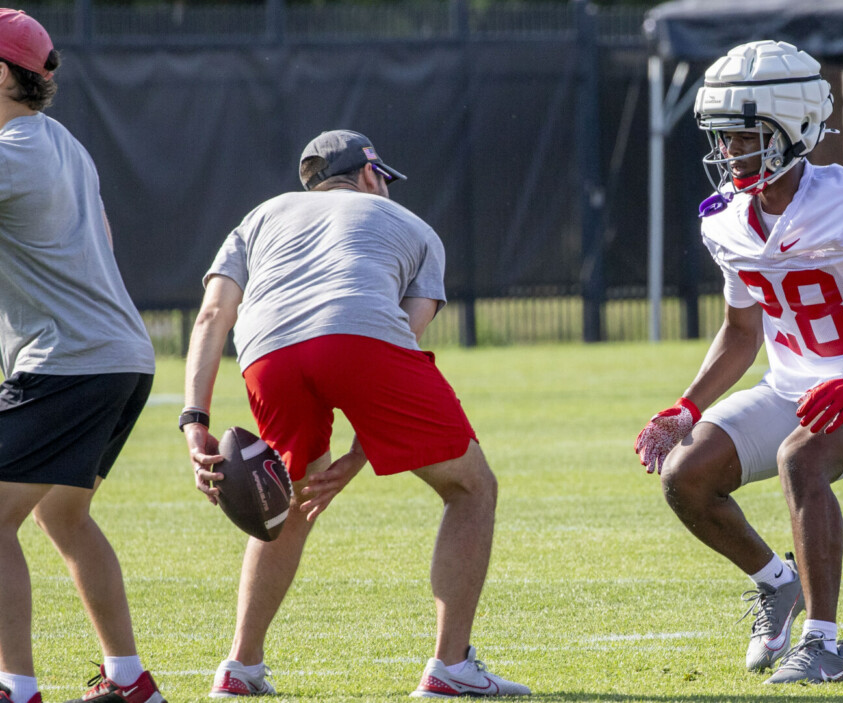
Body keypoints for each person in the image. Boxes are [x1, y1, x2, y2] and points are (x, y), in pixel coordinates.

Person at [183, 130, 529, 698]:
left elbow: (213, 315)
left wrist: (193, 419)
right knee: (471, 488)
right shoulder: (414, 227)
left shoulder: (261, 215)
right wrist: (359, 454)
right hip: (361, 340)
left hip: (266, 352)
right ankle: (451, 669)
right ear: (370, 174)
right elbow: (403, 337)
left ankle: (240, 668)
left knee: (286, 500)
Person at [634, 40, 843, 686]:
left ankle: (823, 642)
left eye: (744, 138)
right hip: (790, 386)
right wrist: (686, 406)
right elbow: (741, 332)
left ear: (792, 128)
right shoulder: (726, 223)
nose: (730, 153)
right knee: (685, 474)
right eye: (724, 139)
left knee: (799, 457)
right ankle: (777, 582)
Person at [0, 9, 166, 703]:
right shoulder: (62, 143)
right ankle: (129, 680)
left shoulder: (13, 154)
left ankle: (12, 685)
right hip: (120, 356)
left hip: (70, 361)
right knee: (62, 515)